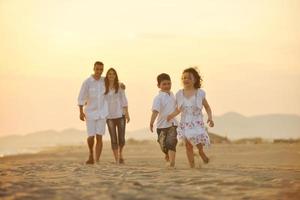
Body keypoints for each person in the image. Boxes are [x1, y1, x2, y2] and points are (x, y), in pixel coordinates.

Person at [168, 67, 214, 168]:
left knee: (198, 143)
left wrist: (210, 117)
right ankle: (192, 166)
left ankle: (201, 152)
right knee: (188, 146)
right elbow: (178, 110)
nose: (186, 80)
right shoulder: (179, 94)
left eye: (188, 78)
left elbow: (207, 107)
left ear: (195, 80)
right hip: (185, 123)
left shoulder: (199, 93)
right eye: (183, 78)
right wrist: (171, 116)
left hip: (197, 122)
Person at [78, 61, 108, 165]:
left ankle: (97, 159)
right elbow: (81, 97)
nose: (99, 71)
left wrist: (122, 85)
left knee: (99, 136)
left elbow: (115, 83)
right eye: (97, 69)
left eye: (101, 69)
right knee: (91, 136)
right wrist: (81, 112)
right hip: (90, 112)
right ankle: (91, 154)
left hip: (102, 113)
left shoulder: (105, 81)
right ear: (93, 69)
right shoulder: (87, 82)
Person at [150, 73, 178, 168]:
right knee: (163, 146)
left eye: (169, 83)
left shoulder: (173, 96)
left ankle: (172, 163)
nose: (167, 86)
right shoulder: (158, 98)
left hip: (172, 124)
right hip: (161, 126)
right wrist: (151, 122)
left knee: (171, 142)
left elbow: (178, 108)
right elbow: (155, 111)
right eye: (164, 84)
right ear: (159, 86)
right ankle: (167, 154)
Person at [104, 68, 130, 164]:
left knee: (121, 138)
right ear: (107, 76)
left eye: (113, 74)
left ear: (115, 76)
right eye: (109, 74)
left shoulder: (120, 86)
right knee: (113, 138)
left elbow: (124, 100)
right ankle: (117, 159)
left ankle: (120, 153)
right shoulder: (103, 87)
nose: (111, 76)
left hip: (120, 115)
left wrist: (127, 113)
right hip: (109, 116)